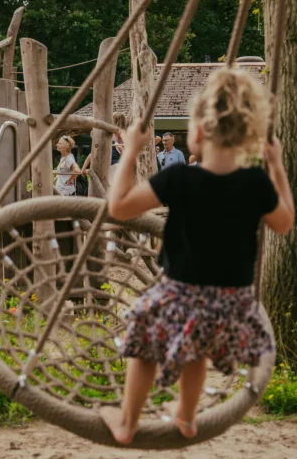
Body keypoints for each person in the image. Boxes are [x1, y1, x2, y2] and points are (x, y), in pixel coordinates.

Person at [101, 68, 294, 445]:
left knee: (144, 340)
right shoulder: (255, 184)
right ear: (248, 136)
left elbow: (119, 207)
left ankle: (127, 422)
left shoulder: (180, 179)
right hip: (232, 303)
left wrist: (131, 153)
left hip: (181, 292)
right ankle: (187, 417)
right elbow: (285, 223)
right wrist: (277, 168)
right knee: (198, 346)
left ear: (200, 132)